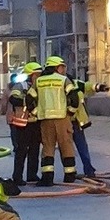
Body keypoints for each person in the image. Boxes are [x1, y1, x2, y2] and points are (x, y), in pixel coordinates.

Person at [28, 56, 79, 186]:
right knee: (66, 146)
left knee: (48, 148)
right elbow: (74, 98)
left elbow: (29, 98)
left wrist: (35, 112)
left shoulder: (39, 81)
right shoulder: (63, 80)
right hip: (62, 118)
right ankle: (69, 176)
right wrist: (71, 112)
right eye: (61, 67)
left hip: (45, 120)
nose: (63, 69)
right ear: (56, 67)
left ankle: (47, 178)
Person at [7, 62, 42, 187]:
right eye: (37, 74)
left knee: (35, 150)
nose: (39, 76)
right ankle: (17, 177)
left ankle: (32, 175)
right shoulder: (21, 85)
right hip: (22, 123)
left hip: (36, 123)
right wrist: (27, 101)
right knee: (21, 151)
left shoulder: (39, 85)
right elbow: (13, 98)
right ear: (31, 75)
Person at [68, 71, 97, 178]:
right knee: (67, 148)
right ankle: (70, 170)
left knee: (82, 146)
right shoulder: (59, 84)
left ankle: (88, 168)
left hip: (75, 121)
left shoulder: (75, 83)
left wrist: (98, 87)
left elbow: (86, 86)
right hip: (63, 121)